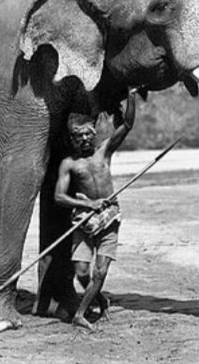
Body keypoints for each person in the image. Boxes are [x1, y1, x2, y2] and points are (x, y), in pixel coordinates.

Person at [54, 87, 138, 331]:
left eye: (88, 134)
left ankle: (80, 314)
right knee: (81, 272)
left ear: (94, 133)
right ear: (72, 138)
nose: (84, 139)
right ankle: (100, 299)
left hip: (109, 218)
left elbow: (129, 124)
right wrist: (87, 204)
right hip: (84, 219)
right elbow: (59, 197)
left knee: (99, 273)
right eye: (77, 136)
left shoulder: (105, 151)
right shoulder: (69, 164)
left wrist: (131, 96)